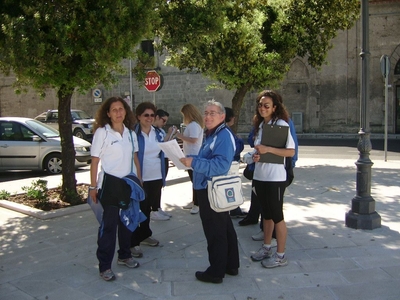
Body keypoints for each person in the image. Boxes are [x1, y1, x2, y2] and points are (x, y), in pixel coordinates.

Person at [180, 100, 240, 283]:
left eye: (213, 113)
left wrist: (195, 163)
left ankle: (215, 272)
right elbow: (209, 157)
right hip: (210, 187)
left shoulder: (222, 136)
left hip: (212, 189)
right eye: (206, 113)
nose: (207, 116)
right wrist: (192, 158)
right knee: (225, 228)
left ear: (222, 117)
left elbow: (221, 165)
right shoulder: (213, 134)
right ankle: (230, 265)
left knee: (216, 232)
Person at [89, 96, 141, 281]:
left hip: (127, 185)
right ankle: (104, 266)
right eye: (114, 110)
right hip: (109, 186)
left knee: (127, 223)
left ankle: (124, 255)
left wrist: (139, 182)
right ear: (108, 114)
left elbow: (135, 159)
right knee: (109, 227)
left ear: (126, 111)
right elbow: (94, 161)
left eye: (121, 109)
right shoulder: (102, 133)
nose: (118, 112)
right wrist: (93, 186)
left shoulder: (131, 134)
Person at [243, 90, 295, 268]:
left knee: (277, 215)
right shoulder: (260, 126)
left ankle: (280, 256)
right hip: (260, 176)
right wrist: (253, 156)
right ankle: (266, 247)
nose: (262, 108)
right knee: (266, 214)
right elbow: (259, 150)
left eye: (266, 105)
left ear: (274, 107)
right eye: (260, 105)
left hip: (275, 178)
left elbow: (290, 151)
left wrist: (268, 150)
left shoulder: (281, 124)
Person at [130, 102, 168, 258]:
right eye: (146, 115)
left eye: (152, 115)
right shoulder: (132, 134)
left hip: (156, 176)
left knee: (148, 209)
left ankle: (145, 235)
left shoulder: (158, 133)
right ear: (138, 116)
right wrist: (137, 177)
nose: (150, 118)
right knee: (139, 210)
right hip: (140, 178)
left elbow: (164, 152)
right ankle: (133, 242)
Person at [176, 103, 204, 215]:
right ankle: (194, 202)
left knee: (195, 181)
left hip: (193, 156)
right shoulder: (195, 124)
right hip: (192, 155)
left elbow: (193, 139)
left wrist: (179, 135)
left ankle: (197, 204)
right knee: (194, 180)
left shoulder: (193, 125)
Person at [224, 107, 246, 218]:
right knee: (232, 186)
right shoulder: (226, 130)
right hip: (231, 163)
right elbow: (234, 149)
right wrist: (240, 141)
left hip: (230, 163)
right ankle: (233, 210)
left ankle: (234, 209)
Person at [153, 109, 174, 177]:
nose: (164, 123)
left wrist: (172, 134)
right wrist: (169, 134)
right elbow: (161, 144)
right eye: (163, 120)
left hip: (164, 158)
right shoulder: (151, 130)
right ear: (157, 117)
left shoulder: (161, 131)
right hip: (156, 159)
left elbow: (167, 143)